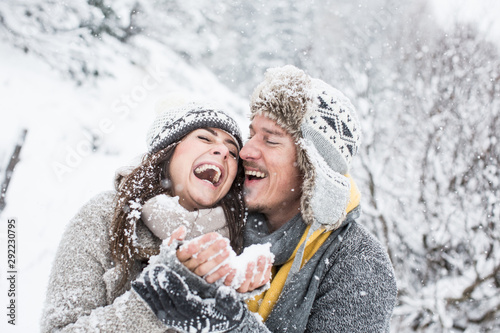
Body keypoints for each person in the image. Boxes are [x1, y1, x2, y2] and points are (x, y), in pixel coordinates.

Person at [133, 65, 398, 332]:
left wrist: (232, 324)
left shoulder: (359, 263)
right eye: (251, 135)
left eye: (270, 141)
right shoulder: (221, 220)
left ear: (313, 169)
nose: (245, 151)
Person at [41, 100, 271, 332]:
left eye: (232, 152)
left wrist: (236, 322)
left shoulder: (240, 248)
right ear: (167, 151)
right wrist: (153, 303)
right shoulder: (105, 216)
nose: (223, 151)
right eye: (204, 138)